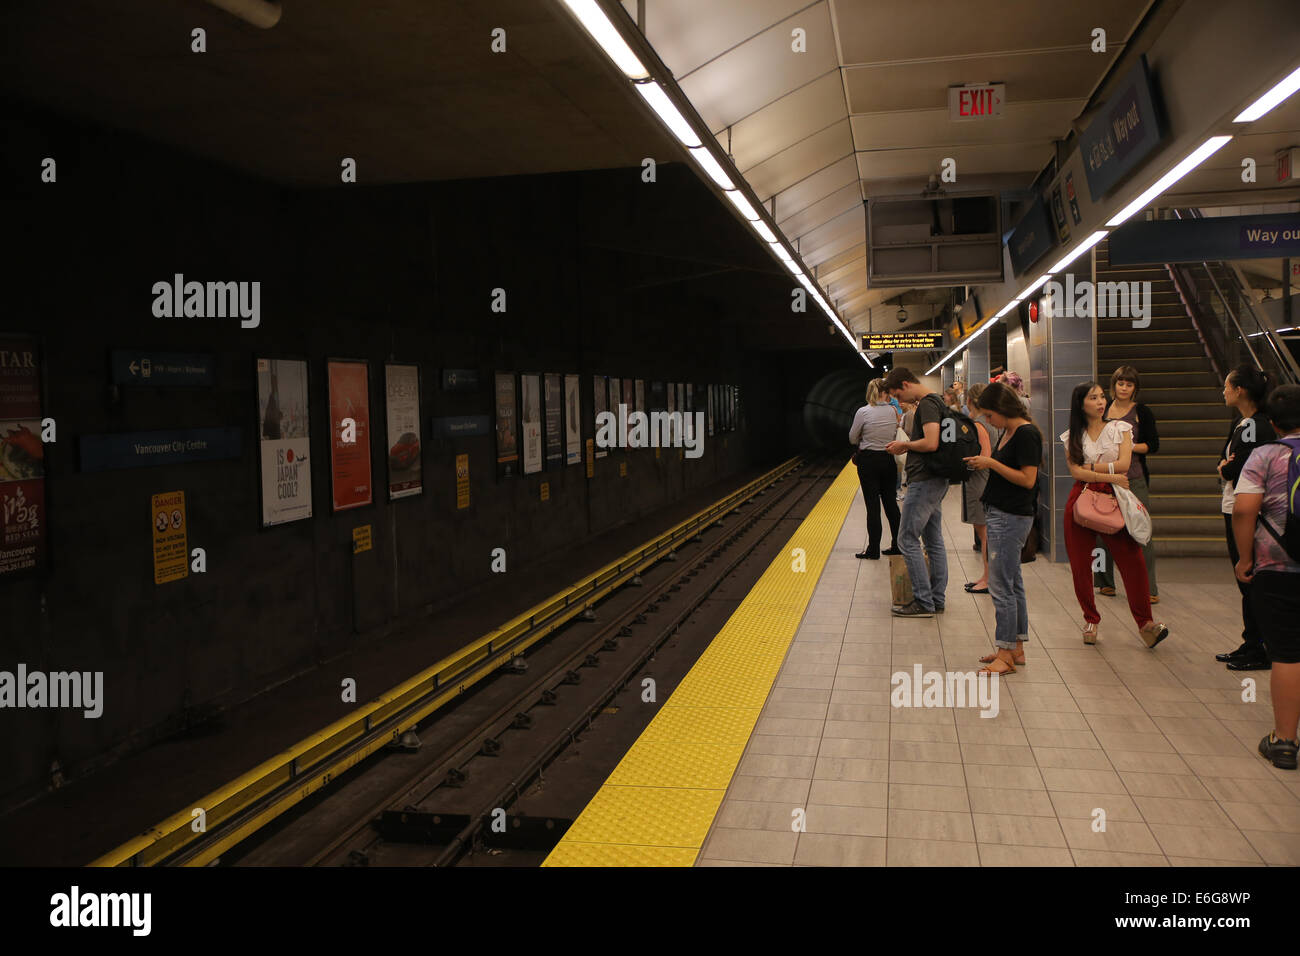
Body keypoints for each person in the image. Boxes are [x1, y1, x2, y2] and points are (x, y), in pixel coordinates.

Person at [1061, 382, 1169, 648]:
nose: (1100, 402)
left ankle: (1146, 623)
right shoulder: (1071, 436)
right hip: (1082, 498)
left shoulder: (1120, 428)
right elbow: (1076, 473)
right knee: (1080, 565)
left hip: (1115, 498)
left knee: (1132, 560)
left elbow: (1124, 464)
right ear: (1081, 404)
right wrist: (1106, 474)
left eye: (1101, 397)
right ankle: (1090, 619)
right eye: (1093, 397)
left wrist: (1091, 468)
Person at [1231, 384, 1300, 769]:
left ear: (1273, 423)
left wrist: (1245, 559)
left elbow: (1244, 510)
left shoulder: (1266, 455)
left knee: (1288, 654)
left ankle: (1285, 741)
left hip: (1278, 565)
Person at [963, 383, 1041, 674]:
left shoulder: (1026, 434)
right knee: (1013, 583)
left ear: (1002, 410)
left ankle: (1005, 653)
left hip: (1010, 517)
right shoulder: (1009, 432)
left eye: (989, 415)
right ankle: (1016, 647)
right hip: (1000, 512)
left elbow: (1027, 479)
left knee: (1000, 586)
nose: (987, 421)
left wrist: (991, 463)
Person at [1216, 365, 1276, 671]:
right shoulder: (1243, 423)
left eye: (1227, 386)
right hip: (1233, 503)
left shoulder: (1257, 426)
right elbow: (1223, 460)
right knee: (1245, 583)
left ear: (1240, 390)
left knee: (1250, 575)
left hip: (1248, 507)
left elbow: (1233, 468)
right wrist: (1225, 464)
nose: (1224, 390)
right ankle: (1251, 641)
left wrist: (1226, 467)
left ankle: (1260, 647)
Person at [883, 368, 948, 617]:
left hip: (925, 480)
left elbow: (931, 443)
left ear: (907, 384)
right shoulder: (938, 401)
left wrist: (904, 445)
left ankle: (923, 602)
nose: (899, 401)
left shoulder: (928, 405)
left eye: (898, 394)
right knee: (933, 541)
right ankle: (936, 599)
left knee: (907, 539)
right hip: (935, 479)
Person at [1093, 367, 1160, 603]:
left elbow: (1152, 444)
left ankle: (1149, 587)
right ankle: (1103, 582)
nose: (1124, 388)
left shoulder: (1142, 412)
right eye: (1120, 383)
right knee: (1101, 531)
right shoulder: (1103, 409)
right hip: (1105, 478)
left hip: (1134, 477)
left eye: (1129, 385)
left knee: (1141, 530)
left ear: (1135, 388)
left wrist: (1126, 446)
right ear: (1114, 385)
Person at [848, 379, 903, 560]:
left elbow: (852, 438)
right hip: (888, 459)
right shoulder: (893, 411)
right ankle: (897, 545)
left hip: (869, 461)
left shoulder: (863, 412)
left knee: (872, 506)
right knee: (890, 503)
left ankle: (873, 549)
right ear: (886, 392)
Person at [961, 384, 1001, 594]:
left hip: (979, 481)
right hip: (987, 480)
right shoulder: (991, 422)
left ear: (969, 401)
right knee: (986, 532)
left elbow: (983, 457)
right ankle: (986, 576)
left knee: (984, 533)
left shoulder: (977, 425)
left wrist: (961, 462)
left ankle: (988, 578)